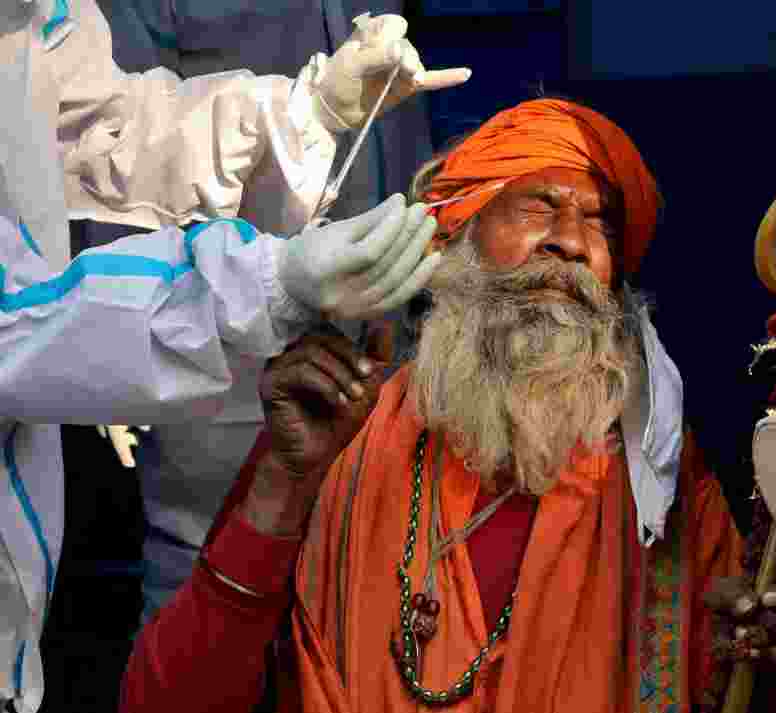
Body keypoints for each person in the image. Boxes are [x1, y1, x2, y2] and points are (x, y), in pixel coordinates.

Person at [121, 99, 776, 712]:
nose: (573, 243)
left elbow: (731, 682)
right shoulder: (340, 437)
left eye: (601, 224)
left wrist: (773, 658)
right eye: (539, 206)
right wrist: (282, 482)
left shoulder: (663, 496)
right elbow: (167, 698)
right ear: (456, 233)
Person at [0, 1, 468, 709]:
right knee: (205, 594)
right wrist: (266, 284)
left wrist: (306, 110)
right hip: (195, 383)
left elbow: (107, 126)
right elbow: (19, 321)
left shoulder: (33, 16)